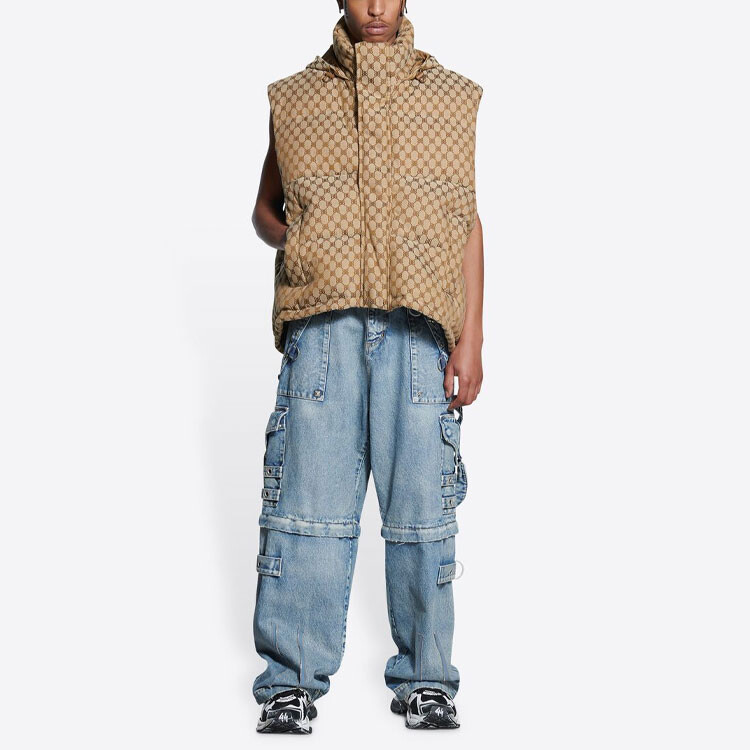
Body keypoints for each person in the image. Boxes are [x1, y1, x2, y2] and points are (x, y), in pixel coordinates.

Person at [250, 0, 484, 733]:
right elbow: (265, 210)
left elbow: (467, 221)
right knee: (306, 509)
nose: (376, 6)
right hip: (323, 332)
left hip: (420, 337)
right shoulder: (294, 98)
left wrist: (471, 339)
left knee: (422, 514)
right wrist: (305, 239)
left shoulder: (452, 99)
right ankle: (290, 682)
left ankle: (426, 680)